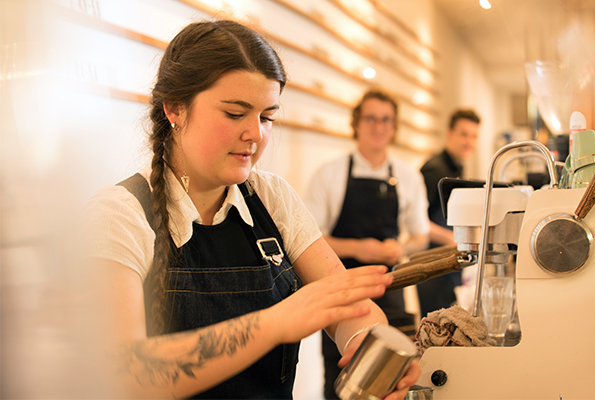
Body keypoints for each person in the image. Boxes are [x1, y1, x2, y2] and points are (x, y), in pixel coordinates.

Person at [81, 21, 420, 399]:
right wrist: (275, 323)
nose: (256, 134)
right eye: (235, 113)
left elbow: (349, 307)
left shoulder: (272, 198)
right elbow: (124, 373)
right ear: (175, 107)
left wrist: (366, 344)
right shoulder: (119, 215)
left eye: (267, 117)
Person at [304, 89, 429, 400]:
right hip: (339, 288)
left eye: (386, 120)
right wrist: (357, 249)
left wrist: (401, 249)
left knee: (393, 378)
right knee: (339, 373)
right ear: (356, 124)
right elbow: (308, 239)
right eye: (371, 118)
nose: (379, 126)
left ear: (394, 127)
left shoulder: (408, 176)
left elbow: (420, 236)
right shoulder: (329, 174)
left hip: (391, 287)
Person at [417, 109, 480, 316]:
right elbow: (418, 222)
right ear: (449, 134)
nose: (469, 141)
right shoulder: (434, 170)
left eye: (473, 136)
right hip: (432, 267)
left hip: (449, 265)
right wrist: (454, 239)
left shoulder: (456, 169)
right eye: (464, 134)